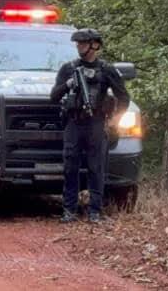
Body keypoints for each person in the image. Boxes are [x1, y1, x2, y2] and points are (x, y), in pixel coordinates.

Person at [50, 28, 130, 223]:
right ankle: (69, 210)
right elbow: (54, 96)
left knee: (96, 168)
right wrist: (68, 85)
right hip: (74, 123)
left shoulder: (107, 70)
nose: (79, 47)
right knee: (70, 167)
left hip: (96, 122)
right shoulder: (68, 68)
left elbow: (124, 97)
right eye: (78, 44)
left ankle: (95, 211)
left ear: (94, 45)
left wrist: (114, 121)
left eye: (83, 43)